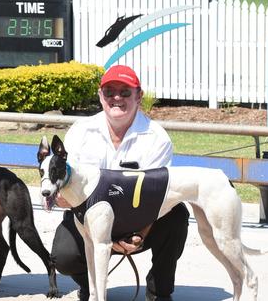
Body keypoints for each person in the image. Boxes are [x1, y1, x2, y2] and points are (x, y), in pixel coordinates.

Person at [51, 65, 189, 301]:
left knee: (176, 215)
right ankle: (92, 288)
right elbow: (63, 186)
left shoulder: (157, 137)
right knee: (63, 256)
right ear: (100, 95)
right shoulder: (80, 131)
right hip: (88, 219)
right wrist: (58, 196)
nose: (116, 98)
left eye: (125, 92)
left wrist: (140, 235)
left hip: (138, 222)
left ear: (139, 96)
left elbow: (159, 197)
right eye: (109, 91)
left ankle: (159, 292)